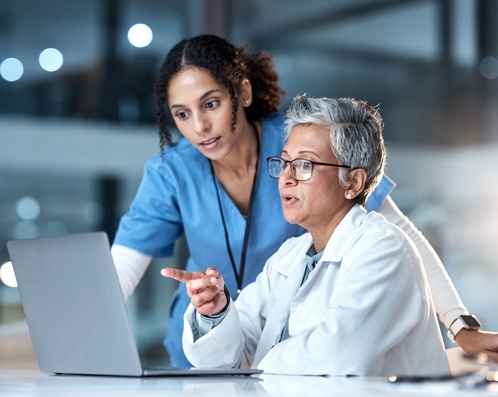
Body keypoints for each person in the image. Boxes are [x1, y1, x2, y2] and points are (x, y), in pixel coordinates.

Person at [112, 34, 498, 367]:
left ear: (243, 93)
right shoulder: (175, 172)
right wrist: (213, 312)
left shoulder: (300, 142)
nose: (199, 127)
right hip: (229, 343)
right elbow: (117, 277)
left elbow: (402, 235)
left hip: (292, 353)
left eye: (211, 104)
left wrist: (459, 324)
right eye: (181, 114)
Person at [161, 95, 450, 375]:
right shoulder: (292, 255)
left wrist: (255, 367)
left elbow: (337, 356)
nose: (286, 177)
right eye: (284, 162)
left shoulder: (384, 248)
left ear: (352, 182)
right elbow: (230, 354)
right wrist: (216, 313)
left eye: (304, 165)